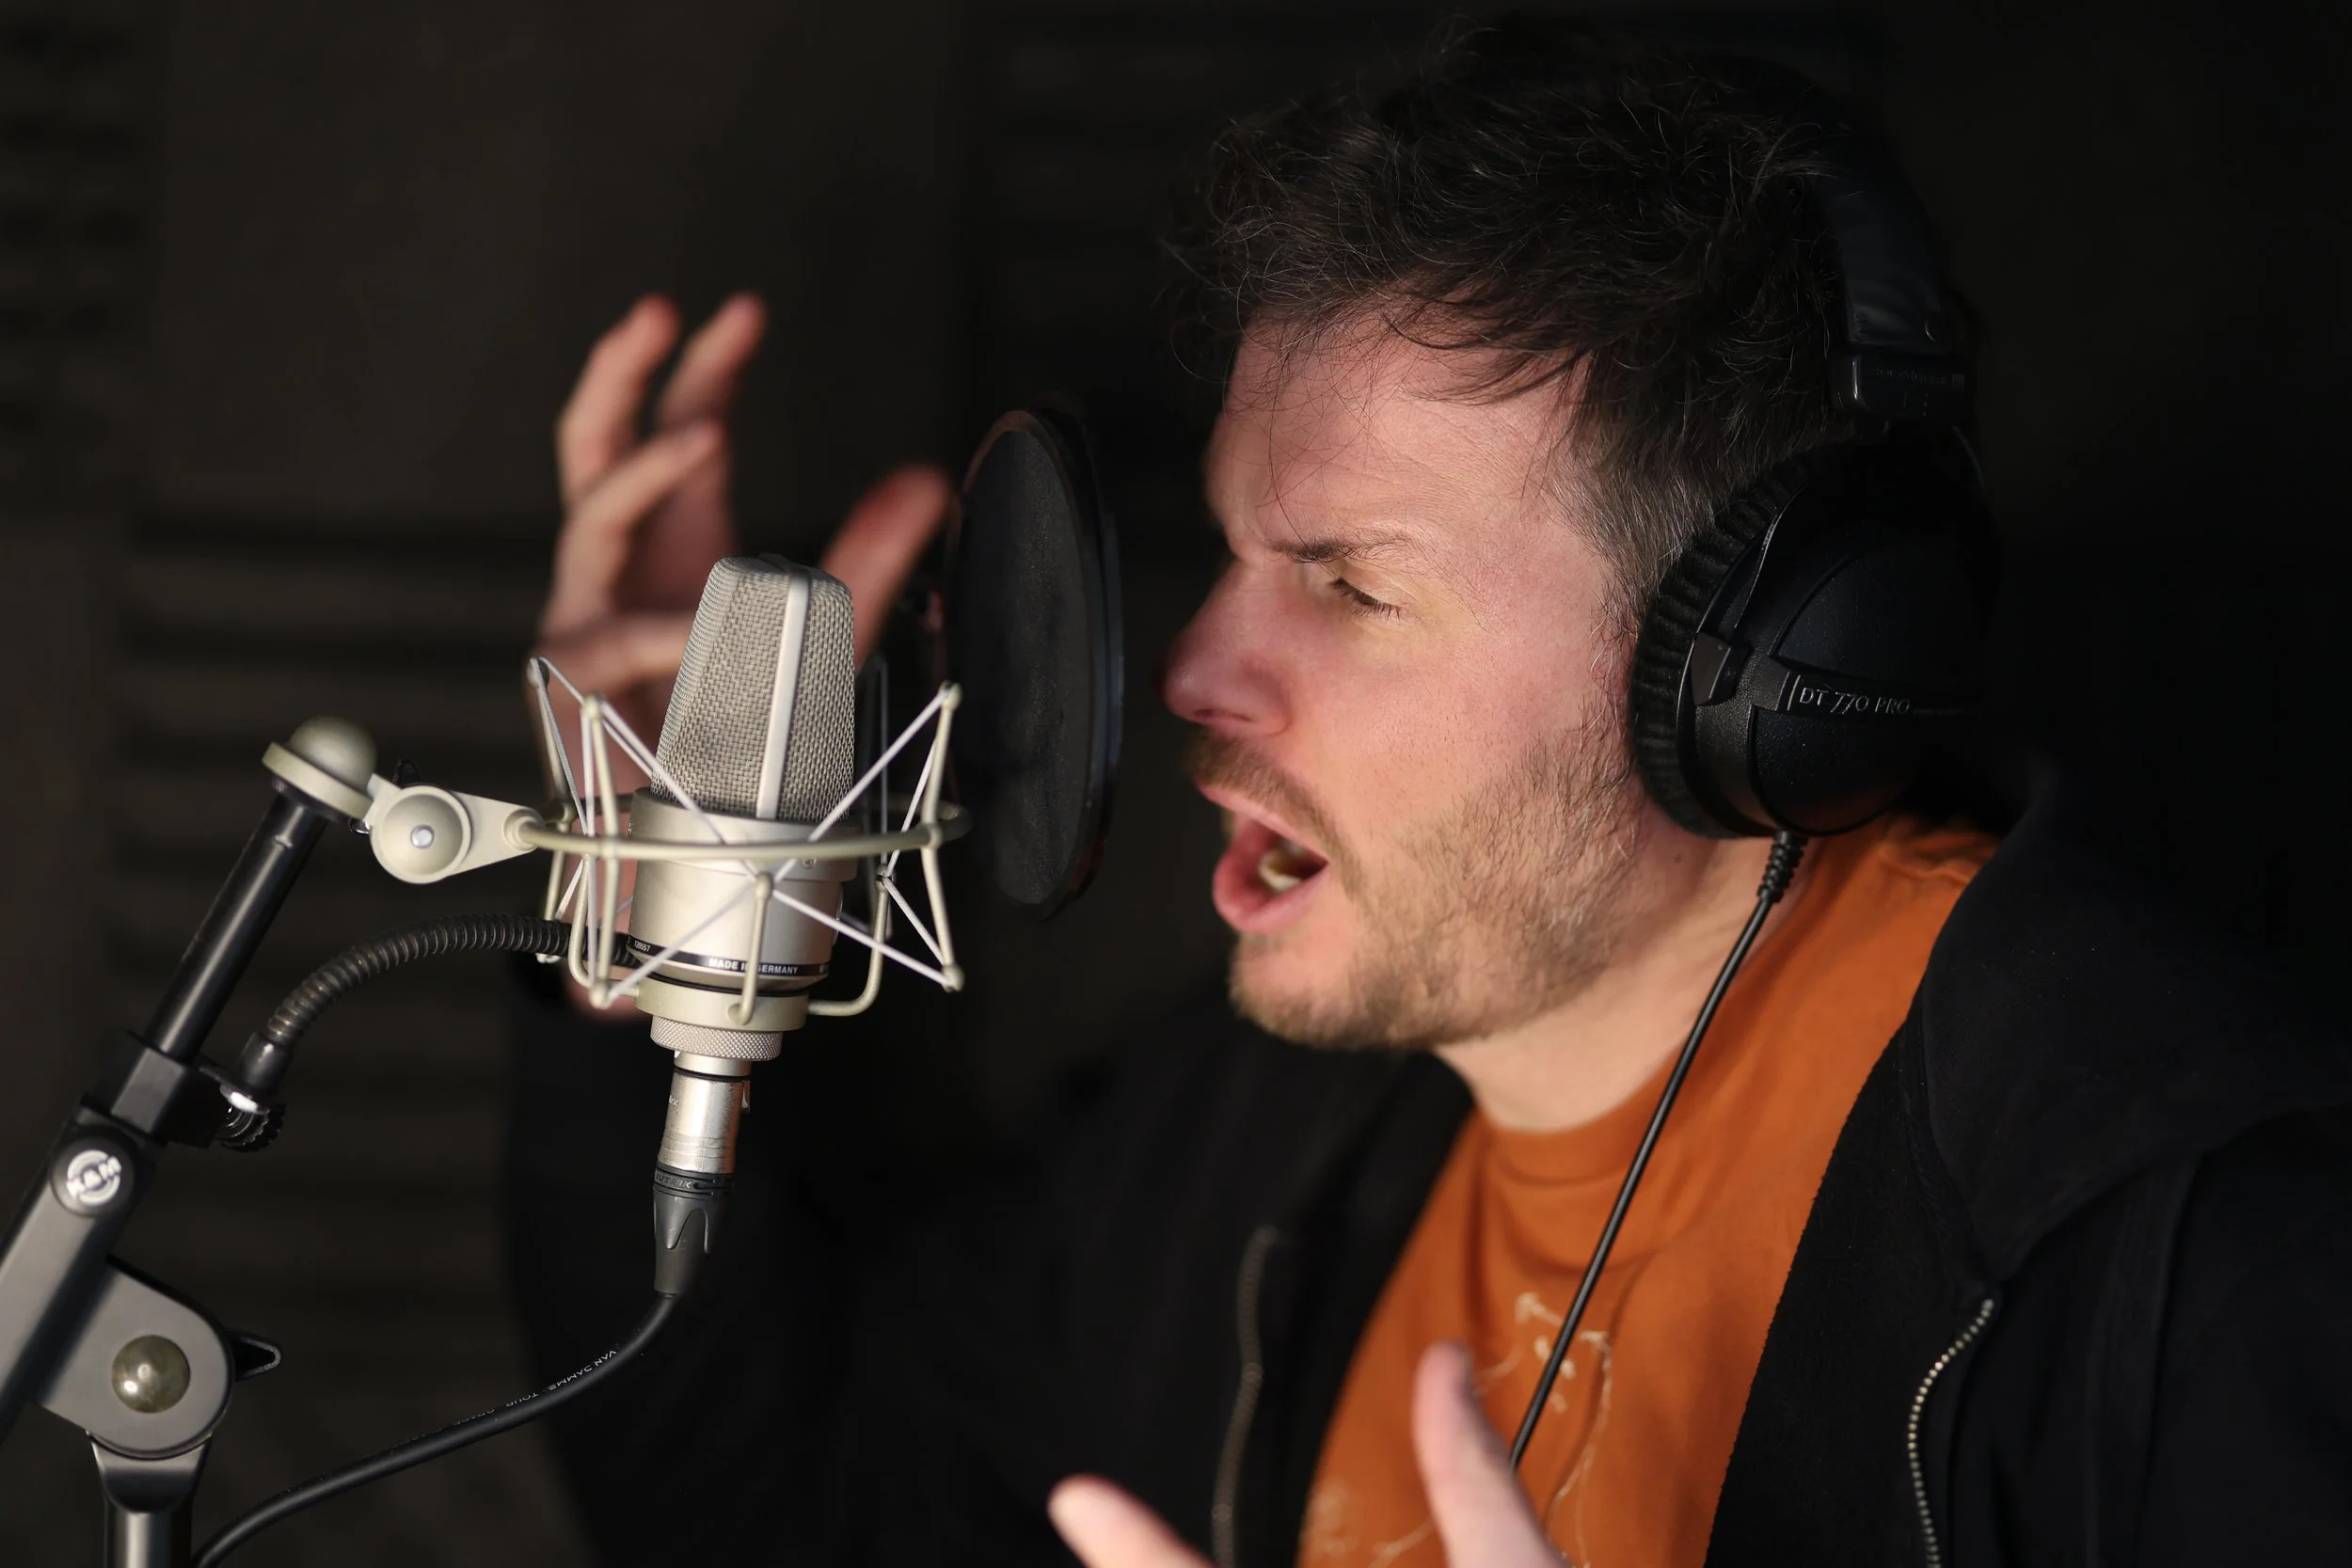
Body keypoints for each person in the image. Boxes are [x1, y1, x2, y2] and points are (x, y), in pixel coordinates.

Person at [507, 24, 2352, 1568]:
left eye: (1352, 586)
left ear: (1756, 671)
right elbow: (777, 1510)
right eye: (1235, 553)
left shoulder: (2189, 1272)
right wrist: (676, 869)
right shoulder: (1250, 1132)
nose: (1192, 670)